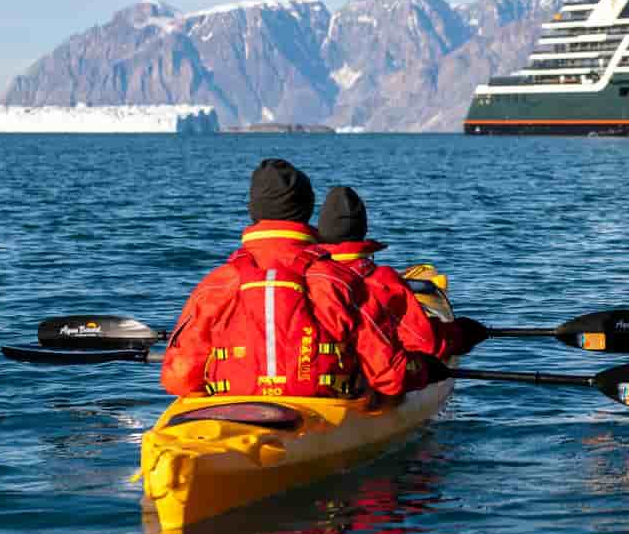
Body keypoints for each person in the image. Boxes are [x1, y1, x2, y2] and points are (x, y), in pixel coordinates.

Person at [158, 159, 447, 402]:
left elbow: (178, 379)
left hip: (232, 410)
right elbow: (389, 377)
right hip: (321, 413)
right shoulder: (339, 282)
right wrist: (424, 370)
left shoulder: (216, 284)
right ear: (308, 213)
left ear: (254, 212)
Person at [314, 185, 491, 362]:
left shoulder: (303, 271)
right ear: (363, 230)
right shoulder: (382, 282)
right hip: (367, 383)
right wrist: (459, 334)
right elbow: (426, 343)